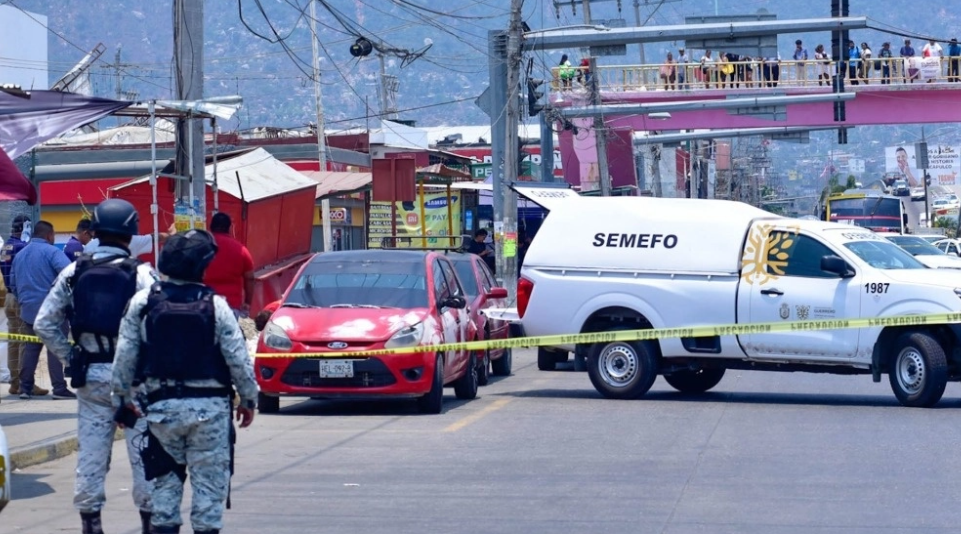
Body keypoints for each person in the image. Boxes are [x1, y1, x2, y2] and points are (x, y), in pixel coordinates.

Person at [111, 229, 259, 534]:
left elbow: (124, 356)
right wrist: (248, 400)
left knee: (165, 488)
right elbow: (238, 360)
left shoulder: (143, 302)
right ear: (202, 266)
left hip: (161, 411)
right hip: (211, 415)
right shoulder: (215, 305)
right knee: (209, 492)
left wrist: (122, 400)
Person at [34, 199, 156, 534]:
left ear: (96, 230)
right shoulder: (143, 275)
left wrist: (72, 355)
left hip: (92, 378)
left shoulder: (75, 271)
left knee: (91, 454)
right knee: (145, 454)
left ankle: (91, 524)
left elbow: (45, 323)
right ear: (130, 235)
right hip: (134, 381)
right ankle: (149, 522)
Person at [10, 221, 73, 399]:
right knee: (54, 349)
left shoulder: (20, 255)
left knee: (31, 348)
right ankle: (59, 388)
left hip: (28, 310)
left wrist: (24, 301)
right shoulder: (52, 252)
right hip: (52, 310)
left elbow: (13, 284)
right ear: (49, 235)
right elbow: (69, 274)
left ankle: (25, 388)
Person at [0, 215, 45, 396]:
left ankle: (14, 381)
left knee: (13, 341)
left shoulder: (6, 246)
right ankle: (25, 383)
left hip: (9, 297)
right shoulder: (22, 247)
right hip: (19, 298)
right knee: (25, 342)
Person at [202, 213, 254, 318]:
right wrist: (248, 302)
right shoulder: (241, 250)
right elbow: (250, 278)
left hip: (203, 303)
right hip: (230, 306)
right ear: (229, 228)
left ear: (210, 227)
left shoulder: (200, 247)